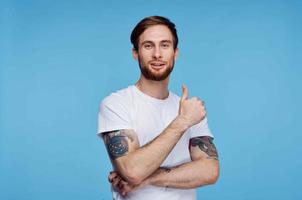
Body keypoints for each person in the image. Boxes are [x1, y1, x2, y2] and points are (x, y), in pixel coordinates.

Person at [97, 16, 219, 200]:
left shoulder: (188, 108)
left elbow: (210, 171)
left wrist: (149, 178)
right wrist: (182, 122)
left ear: (175, 52)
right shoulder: (116, 104)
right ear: (135, 53)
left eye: (164, 45)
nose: (157, 54)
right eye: (148, 46)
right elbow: (133, 171)